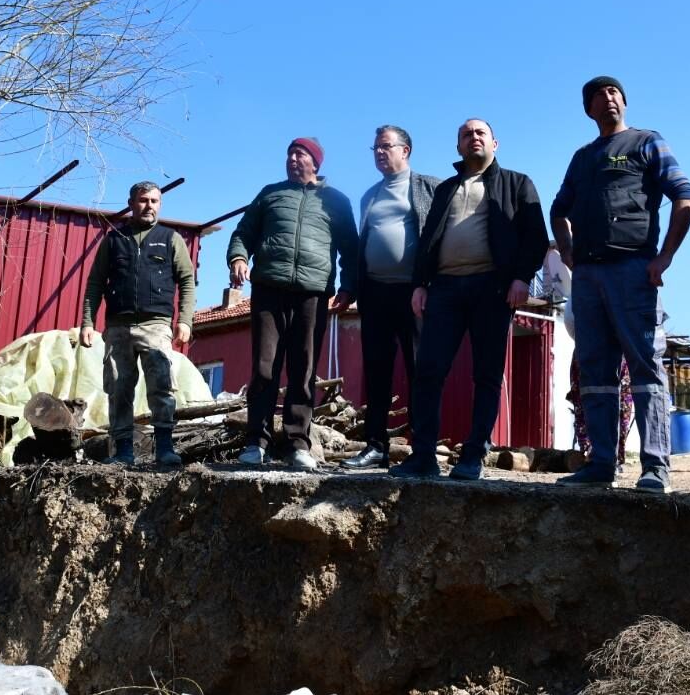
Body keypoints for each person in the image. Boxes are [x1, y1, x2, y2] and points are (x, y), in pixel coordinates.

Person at [550, 77, 690, 492]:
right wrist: (568, 252)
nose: (608, 98)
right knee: (595, 371)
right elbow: (558, 209)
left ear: (625, 102)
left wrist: (665, 256)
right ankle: (601, 463)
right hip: (588, 276)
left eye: (614, 92)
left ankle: (655, 467)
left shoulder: (647, 142)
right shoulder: (582, 157)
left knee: (646, 368)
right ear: (589, 109)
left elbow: (685, 198)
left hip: (634, 270)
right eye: (599, 95)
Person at [392, 119, 548, 481]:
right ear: (458, 146)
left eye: (480, 133)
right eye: (466, 134)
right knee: (428, 370)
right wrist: (420, 284)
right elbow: (428, 238)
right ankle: (423, 456)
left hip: (492, 288)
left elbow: (536, 236)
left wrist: (521, 278)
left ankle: (473, 456)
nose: (473, 137)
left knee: (487, 374)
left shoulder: (517, 183)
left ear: (495, 142)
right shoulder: (446, 189)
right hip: (444, 288)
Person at [227, 138, 359, 470]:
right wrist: (239, 257)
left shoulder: (336, 201)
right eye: (289, 154)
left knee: (304, 369)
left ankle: (297, 444)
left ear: (315, 162)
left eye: (299, 154)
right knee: (264, 367)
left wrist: (348, 287)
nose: (292, 159)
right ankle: (256, 442)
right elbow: (243, 232)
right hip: (269, 289)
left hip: (313, 293)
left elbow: (350, 249)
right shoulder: (270, 194)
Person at [80, 182, 197, 468]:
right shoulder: (113, 240)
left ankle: (165, 449)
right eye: (143, 200)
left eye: (154, 201)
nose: (149, 206)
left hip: (156, 325)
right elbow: (95, 283)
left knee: (162, 385)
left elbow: (187, 281)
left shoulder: (170, 239)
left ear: (160, 205)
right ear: (131, 203)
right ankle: (123, 451)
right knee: (119, 388)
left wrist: (184, 320)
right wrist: (87, 322)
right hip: (118, 326)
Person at [344, 126, 440, 470]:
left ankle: (422, 450)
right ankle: (375, 447)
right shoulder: (369, 196)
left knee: (420, 370)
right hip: (375, 293)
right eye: (375, 148)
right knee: (376, 370)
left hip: (415, 293)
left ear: (406, 150)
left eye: (386, 146)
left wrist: (429, 283)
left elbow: (439, 237)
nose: (379, 152)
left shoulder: (430, 187)